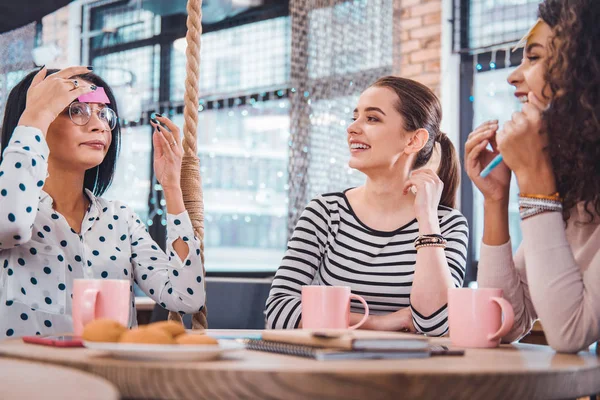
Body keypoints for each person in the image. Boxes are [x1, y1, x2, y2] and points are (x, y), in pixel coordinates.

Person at [0, 66, 205, 338]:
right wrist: (35, 115)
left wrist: (172, 187)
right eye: (78, 111)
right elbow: (10, 224)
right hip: (32, 378)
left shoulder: (121, 219)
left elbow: (186, 298)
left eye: (104, 114)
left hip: (112, 379)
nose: (99, 125)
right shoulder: (15, 210)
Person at [265, 76, 468, 335]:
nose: (352, 128)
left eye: (372, 119)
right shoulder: (325, 213)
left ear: (414, 140)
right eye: (355, 117)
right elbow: (279, 310)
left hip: (414, 373)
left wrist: (428, 219)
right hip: (332, 368)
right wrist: (378, 323)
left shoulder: (447, 224)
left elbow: (438, 324)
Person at [467, 0, 600, 352]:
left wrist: (535, 179)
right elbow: (502, 322)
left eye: (535, 57)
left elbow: (570, 332)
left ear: (586, 71)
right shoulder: (580, 185)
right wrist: (495, 200)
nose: (513, 75)